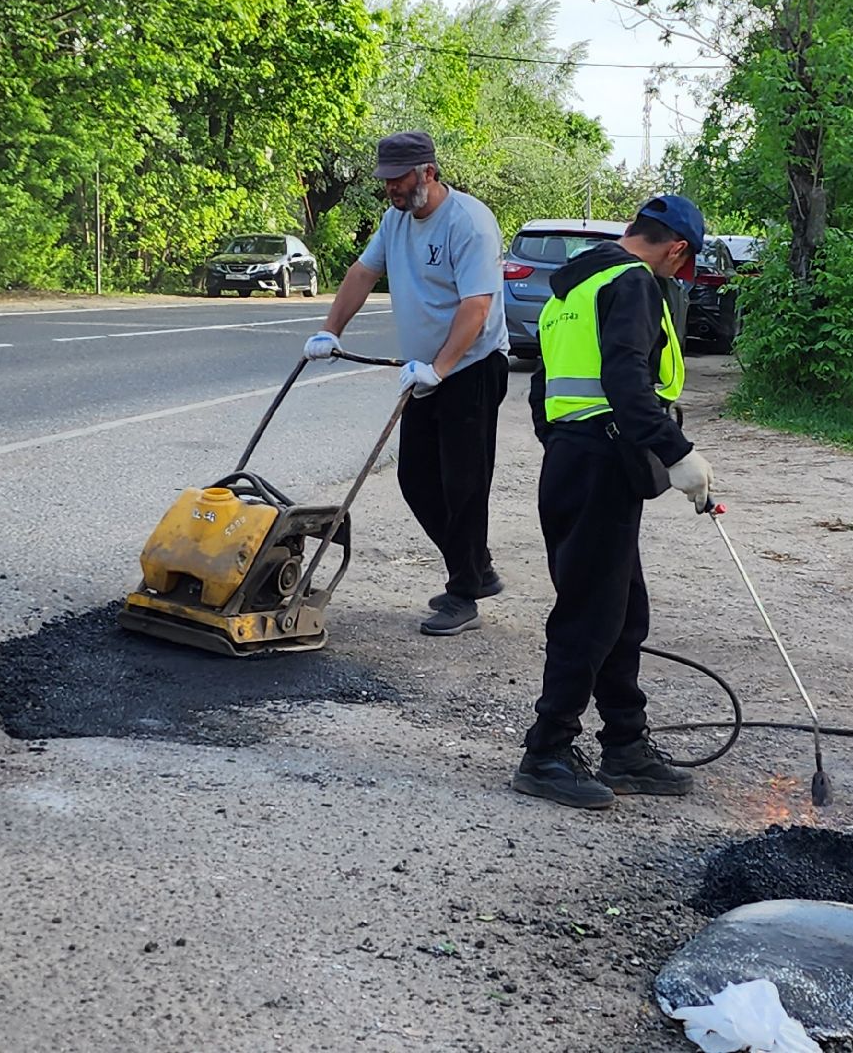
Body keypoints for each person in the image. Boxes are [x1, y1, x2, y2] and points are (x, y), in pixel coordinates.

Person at [509, 195, 716, 810]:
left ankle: (625, 745)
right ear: (676, 248)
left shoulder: (569, 287)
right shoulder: (633, 284)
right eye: (685, 265)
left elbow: (543, 384)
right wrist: (676, 452)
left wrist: (567, 442)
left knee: (623, 608)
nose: (680, 276)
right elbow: (627, 380)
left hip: (575, 458)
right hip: (600, 460)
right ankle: (545, 752)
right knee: (590, 613)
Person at [305, 131, 511, 636]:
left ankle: (464, 593)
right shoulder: (395, 221)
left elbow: (476, 307)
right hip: (428, 372)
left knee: (464, 484)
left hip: (473, 368)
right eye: (387, 181)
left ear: (428, 173)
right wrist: (331, 331)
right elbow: (361, 273)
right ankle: (475, 567)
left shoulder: (469, 223)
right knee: (416, 479)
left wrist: (438, 369)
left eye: (399, 179)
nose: (392, 190)